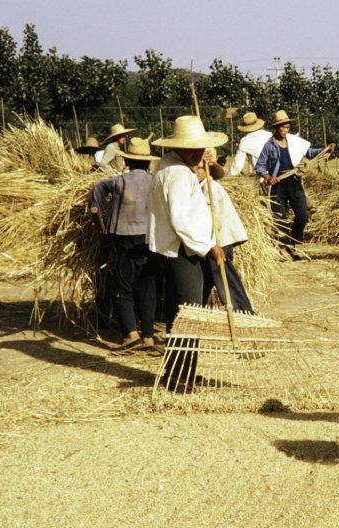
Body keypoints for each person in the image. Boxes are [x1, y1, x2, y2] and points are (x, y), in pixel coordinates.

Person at [149, 116, 227, 392]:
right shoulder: (179, 174)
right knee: (189, 315)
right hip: (185, 251)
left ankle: (179, 372)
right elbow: (180, 219)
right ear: (178, 147)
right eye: (192, 148)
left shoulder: (167, 166)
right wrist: (209, 247)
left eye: (200, 148)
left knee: (179, 313)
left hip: (174, 250)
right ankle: (180, 377)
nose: (198, 152)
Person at [88, 136, 161, 353]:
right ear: (148, 162)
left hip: (124, 238)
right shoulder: (156, 180)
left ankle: (130, 334)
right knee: (147, 287)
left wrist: (97, 212)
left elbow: (97, 187)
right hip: (151, 239)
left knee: (121, 286)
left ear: (126, 162)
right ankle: (148, 336)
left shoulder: (119, 181)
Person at [256, 109, 334, 253]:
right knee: (280, 217)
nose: (285, 130)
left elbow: (308, 152)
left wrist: (324, 150)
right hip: (278, 184)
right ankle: (284, 248)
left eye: (287, 127)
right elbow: (260, 166)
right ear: (276, 128)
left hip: (294, 181)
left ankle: (293, 242)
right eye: (282, 127)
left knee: (303, 215)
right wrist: (268, 177)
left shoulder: (293, 142)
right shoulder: (269, 146)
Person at [197, 148, 253, 313]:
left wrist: (213, 242)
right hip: (216, 239)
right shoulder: (205, 186)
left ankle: (243, 311)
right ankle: (200, 308)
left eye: (198, 169)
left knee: (225, 279)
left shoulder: (209, 188)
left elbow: (213, 218)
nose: (194, 173)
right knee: (209, 276)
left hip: (219, 240)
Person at [228, 112, 271, 176]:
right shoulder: (269, 135)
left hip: (263, 174)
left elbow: (238, 163)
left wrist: (231, 174)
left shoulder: (245, 141)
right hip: (276, 169)